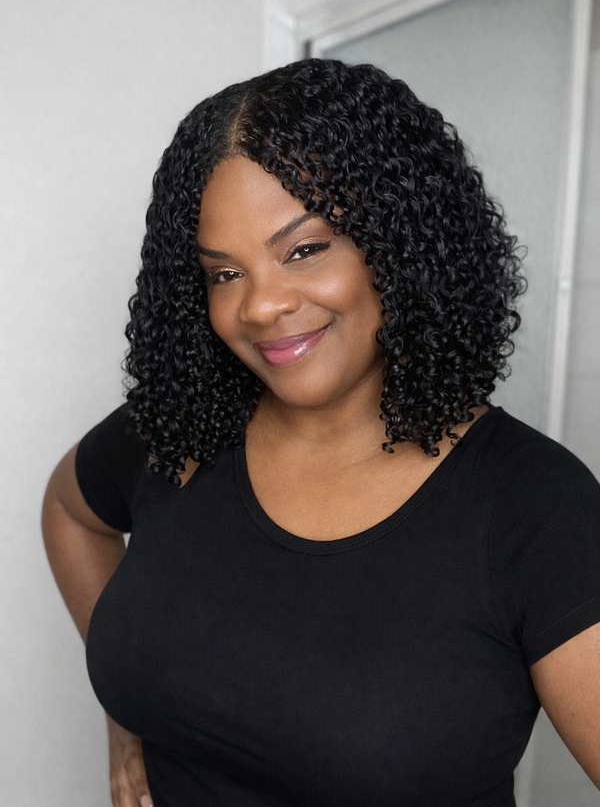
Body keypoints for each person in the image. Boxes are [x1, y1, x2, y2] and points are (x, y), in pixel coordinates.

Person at [42, 59, 600, 807]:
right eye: (224, 274)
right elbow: (69, 510)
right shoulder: (179, 430)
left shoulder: (534, 505)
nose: (260, 306)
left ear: (399, 244)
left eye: (304, 249)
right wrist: (126, 718)